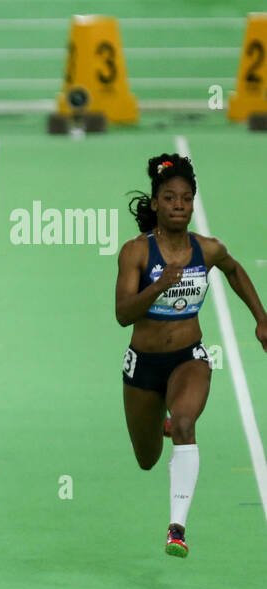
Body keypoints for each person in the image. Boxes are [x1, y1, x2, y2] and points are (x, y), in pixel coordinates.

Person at [115, 153, 267, 557]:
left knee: (185, 423)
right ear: (156, 203)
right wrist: (159, 285)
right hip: (143, 365)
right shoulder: (136, 253)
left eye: (185, 198)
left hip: (189, 357)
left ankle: (177, 528)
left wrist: (261, 318)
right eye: (169, 198)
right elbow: (122, 314)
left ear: (193, 203)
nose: (178, 205)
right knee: (147, 460)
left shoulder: (209, 250)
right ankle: (163, 424)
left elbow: (234, 271)